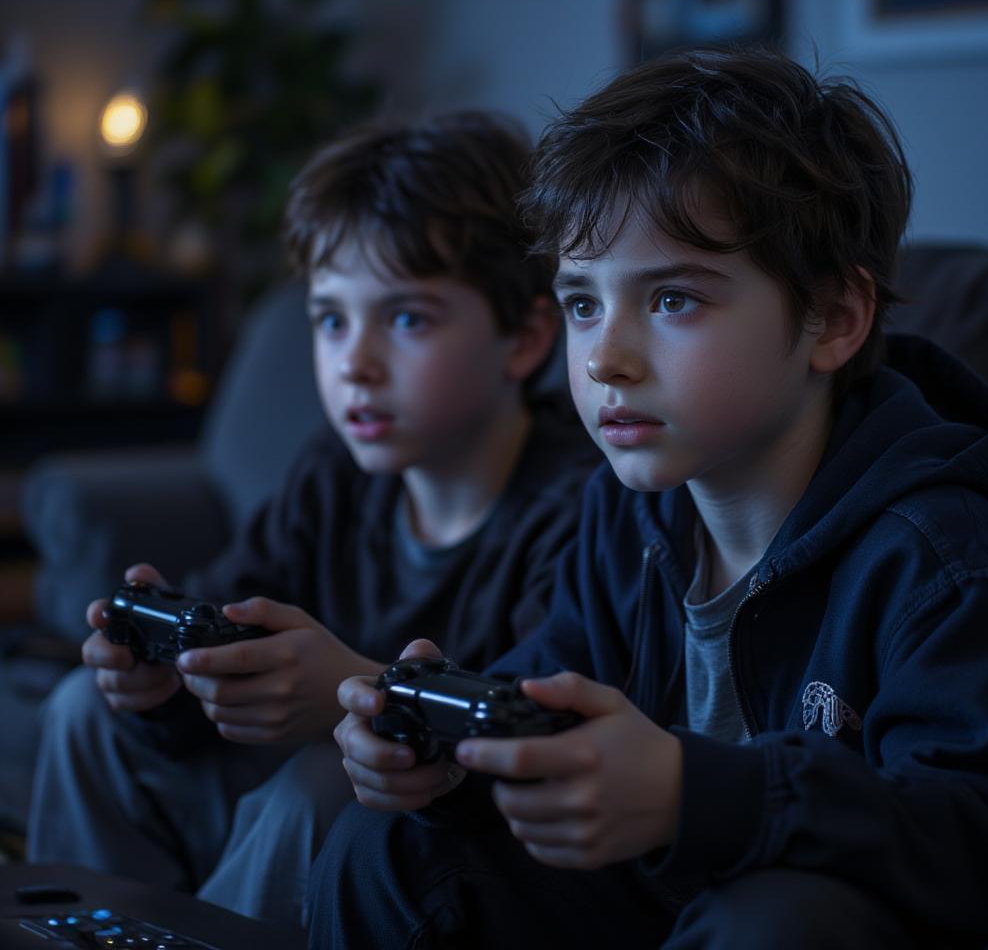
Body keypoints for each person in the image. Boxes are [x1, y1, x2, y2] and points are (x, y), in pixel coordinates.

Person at [310, 48, 988, 949]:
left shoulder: (939, 552)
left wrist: (702, 793)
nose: (606, 357)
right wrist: (453, 757)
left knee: (771, 921)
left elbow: (982, 833)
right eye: (581, 304)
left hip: (817, 915)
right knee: (387, 846)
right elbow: (551, 683)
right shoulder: (626, 515)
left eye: (674, 299)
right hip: (656, 895)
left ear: (836, 319)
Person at [26, 111, 600, 928]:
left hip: (460, 838)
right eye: (331, 319)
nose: (353, 363)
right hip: (309, 779)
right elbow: (229, 632)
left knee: (318, 786)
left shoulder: (574, 509)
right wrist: (163, 682)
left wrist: (345, 694)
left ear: (526, 337)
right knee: (85, 710)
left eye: (406, 319)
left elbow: (526, 740)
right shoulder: (335, 474)